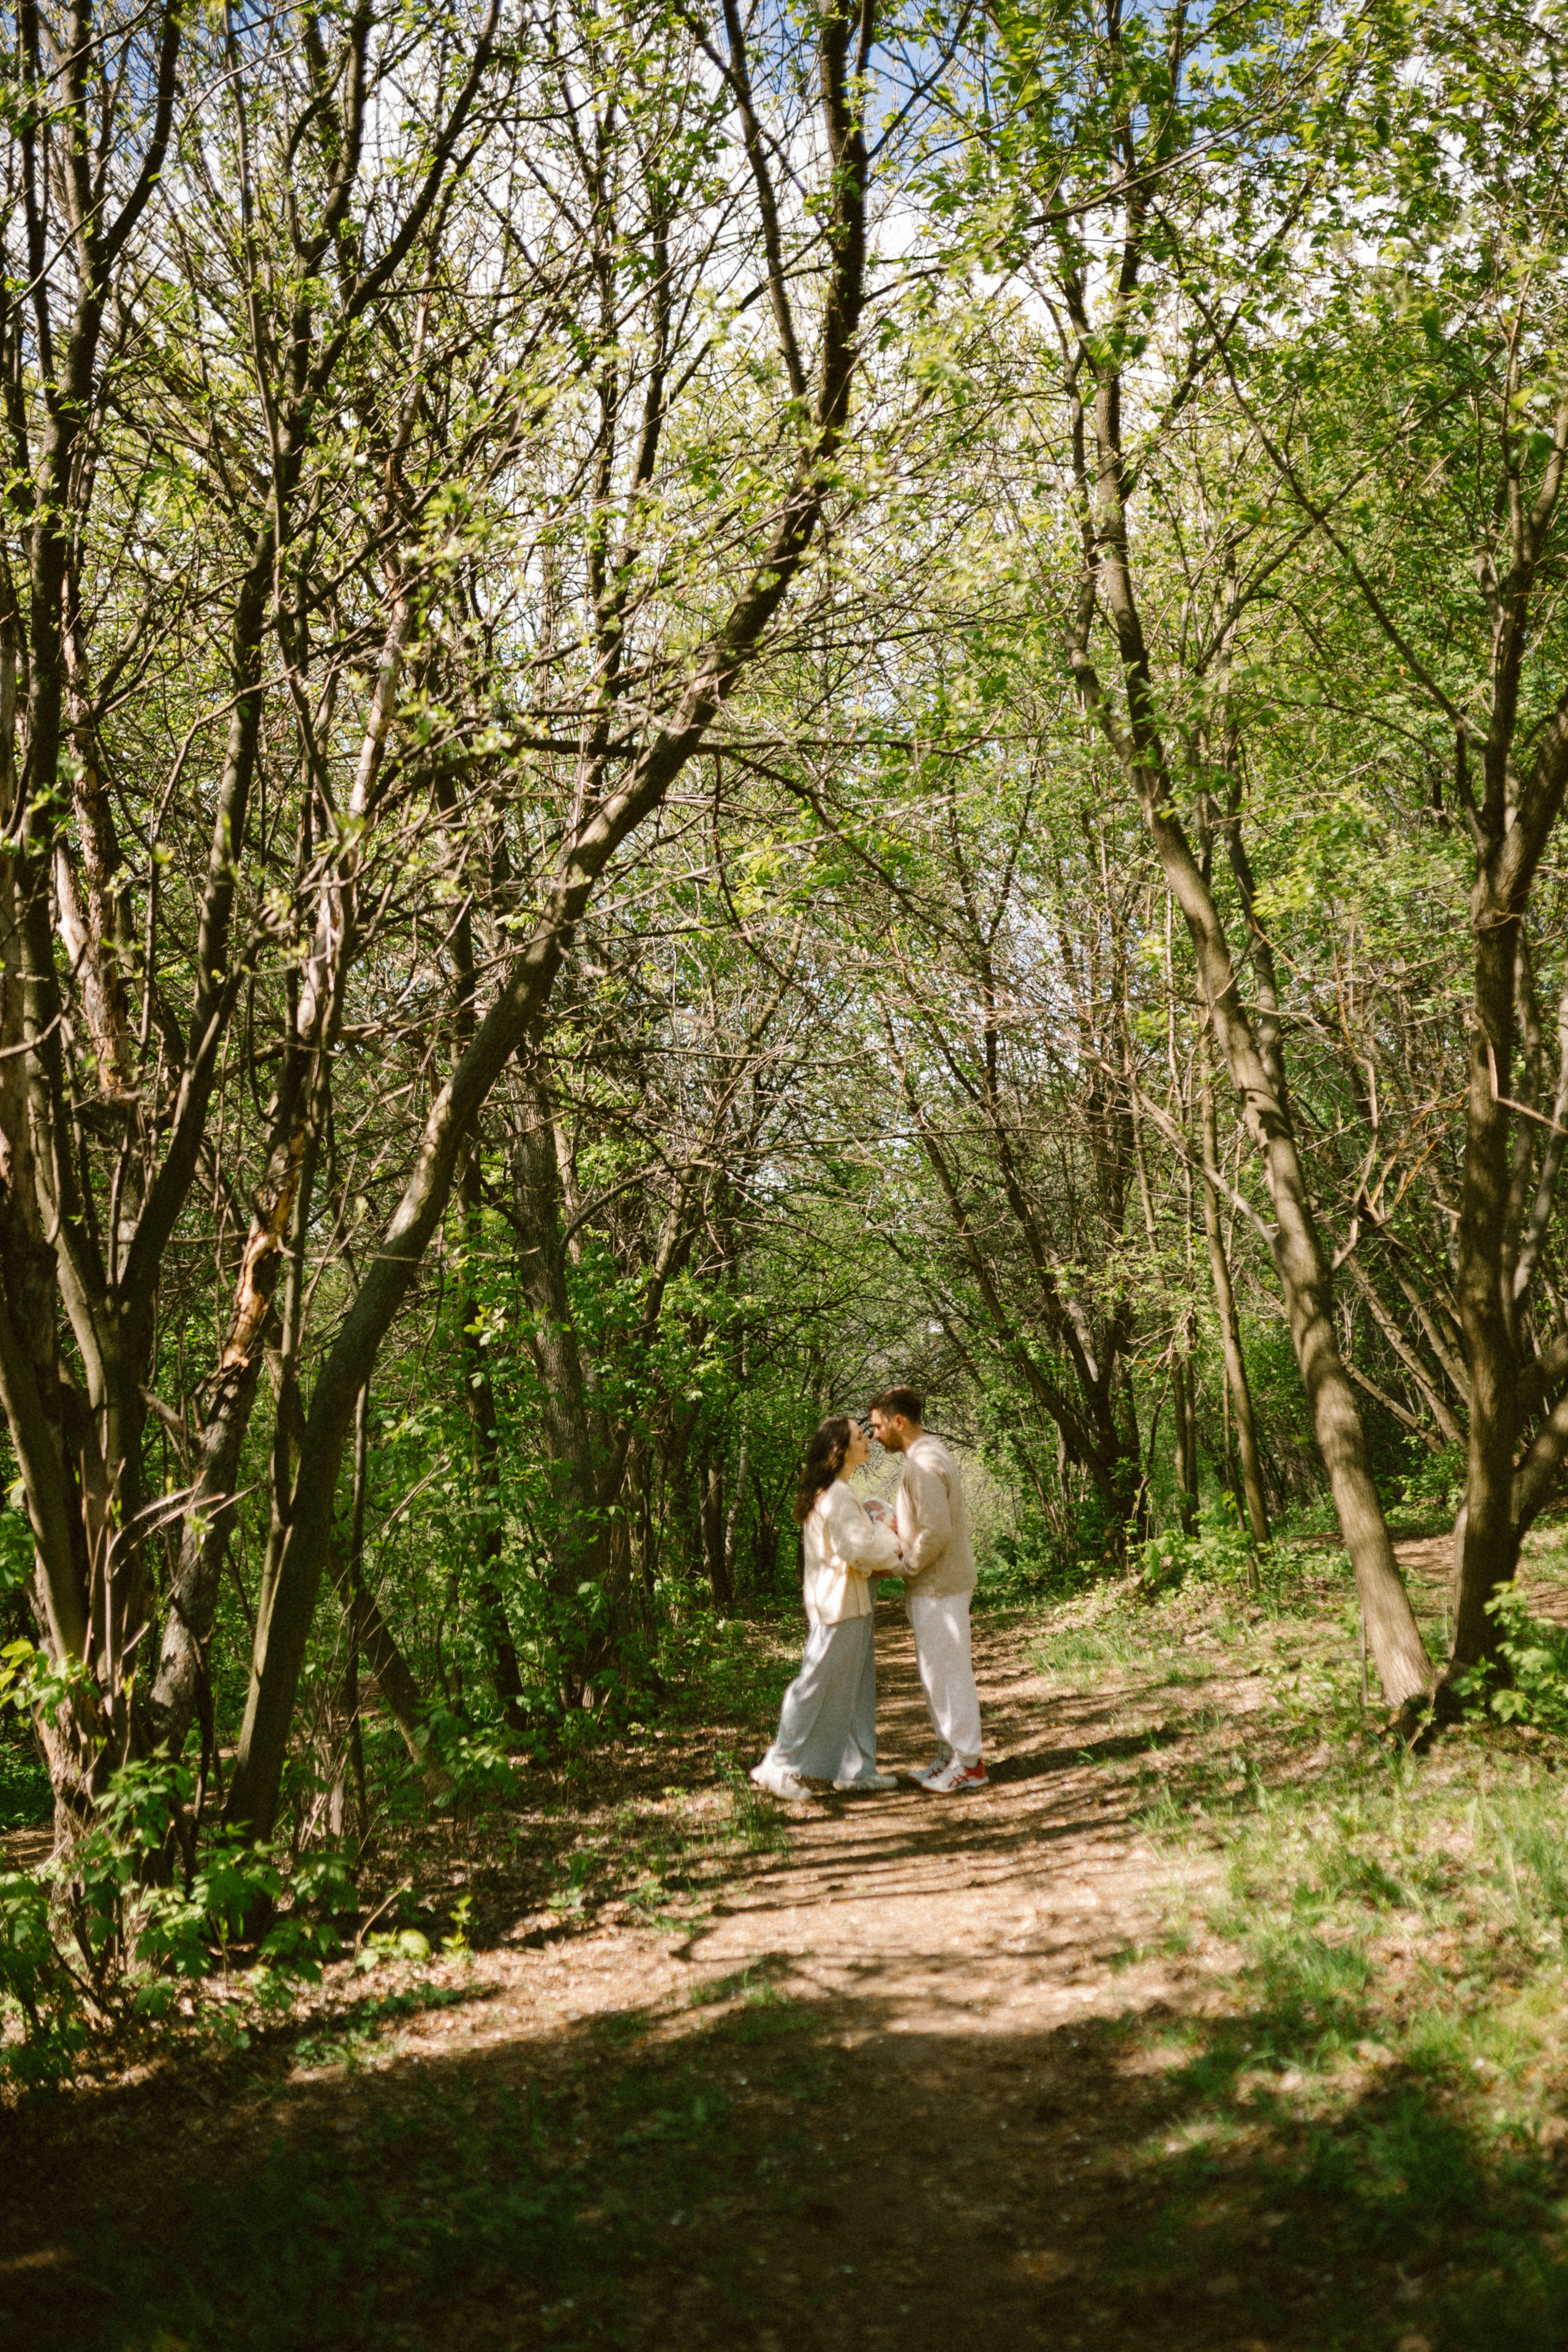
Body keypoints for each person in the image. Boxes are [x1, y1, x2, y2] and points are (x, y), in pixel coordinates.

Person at [750, 1415, 905, 1801]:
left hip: (852, 1600)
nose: (868, 1440)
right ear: (841, 1450)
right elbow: (857, 1549)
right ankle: (777, 1765)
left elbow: (855, 1548)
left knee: (856, 1686)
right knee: (813, 1685)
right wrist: (894, 1542)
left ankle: (857, 1771)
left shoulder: (838, 1491)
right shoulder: (835, 1494)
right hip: (838, 1604)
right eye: (859, 1436)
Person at [868, 1386, 986, 1793]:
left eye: (878, 1426)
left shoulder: (923, 1462)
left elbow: (936, 1531)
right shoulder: (925, 1456)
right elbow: (925, 1522)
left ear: (899, 1422)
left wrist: (904, 1566)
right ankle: (950, 1756)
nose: (874, 1435)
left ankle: (969, 1764)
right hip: (935, 1585)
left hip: (940, 1586)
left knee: (949, 1675)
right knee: (936, 1674)